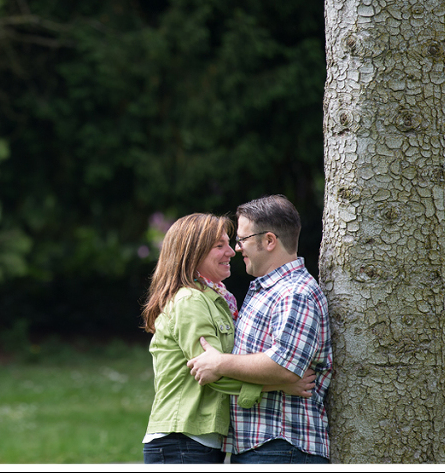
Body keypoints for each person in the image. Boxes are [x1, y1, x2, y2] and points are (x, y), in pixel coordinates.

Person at [141, 213, 316, 464]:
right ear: (193, 254)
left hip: (200, 440)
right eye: (219, 246)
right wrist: (278, 384)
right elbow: (210, 372)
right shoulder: (190, 301)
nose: (232, 251)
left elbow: (222, 363)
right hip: (181, 439)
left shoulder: (217, 300)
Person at [187, 195, 333, 464]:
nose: (237, 248)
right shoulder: (269, 290)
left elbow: (285, 367)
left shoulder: (295, 293)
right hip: (264, 446)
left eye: (242, 240)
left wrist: (220, 363)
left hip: (282, 444)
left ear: (268, 241)